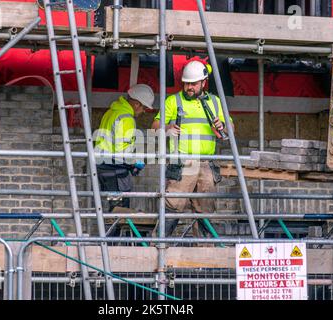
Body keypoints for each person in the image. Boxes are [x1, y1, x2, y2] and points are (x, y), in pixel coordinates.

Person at [151, 60, 233, 237]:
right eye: (186, 83)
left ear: (204, 82)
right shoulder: (173, 101)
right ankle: (157, 248)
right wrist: (167, 128)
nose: (189, 87)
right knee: (172, 207)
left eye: (193, 84)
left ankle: (203, 252)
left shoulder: (215, 102)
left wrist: (223, 125)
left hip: (206, 164)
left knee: (205, 210)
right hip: (182, 163)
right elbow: (155, 125)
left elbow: (231, 130)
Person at [95, 84, 155, 213]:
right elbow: (123, 152)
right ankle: (113, 234)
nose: (144, 111)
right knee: (120, 209)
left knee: (113, 207)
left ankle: (108, 232)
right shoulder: (126, 118)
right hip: (115, 169)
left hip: (103, 166)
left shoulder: (112, 112)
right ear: (137, 104)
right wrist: (136, 163)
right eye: (144, 107)